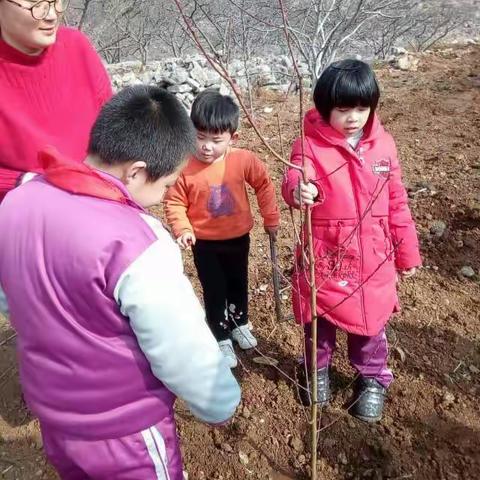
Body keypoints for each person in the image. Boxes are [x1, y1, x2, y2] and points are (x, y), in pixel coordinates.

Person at [0, 85, 241, 480]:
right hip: (124, 430)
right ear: (137, 171)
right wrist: (219, 402)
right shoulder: (136, 242)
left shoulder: (18, 201)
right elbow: (179, 345)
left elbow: (10, 296)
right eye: (165, 186)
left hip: (54, 417)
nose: (163, 197)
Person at [282, 59, 421, 422]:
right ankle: (316, 370)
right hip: (326, 253)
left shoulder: (383, 146)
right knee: (319, 321)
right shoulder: (309, 144)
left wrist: (406, 253)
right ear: (326, 108)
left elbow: (396, 201)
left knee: (372, 324)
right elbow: (294, 178)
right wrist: (299, 191)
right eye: (343, 110)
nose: (353, 118)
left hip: (374, 255)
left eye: (361, 108)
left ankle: (372, 378)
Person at [164, 89, 280, 369]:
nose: (206, 146)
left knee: (238, 282)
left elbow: (264, 185)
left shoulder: (243, 160)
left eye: (215, 140)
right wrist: (183, 229)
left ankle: (239, 322)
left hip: (238, 238)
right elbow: (174, 202)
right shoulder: (185, 168)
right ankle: (220, 336)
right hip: (205, 243)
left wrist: (271, 217)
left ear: (232, 137)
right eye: (200, 137)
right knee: (214, 288)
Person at [0, 0, 112, 202]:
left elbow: (113, 126)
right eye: (36, 3)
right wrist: (28, 182)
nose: (51, 15)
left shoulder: (77, 46)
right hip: (21, 215)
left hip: (95, 203)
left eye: (57, 1)